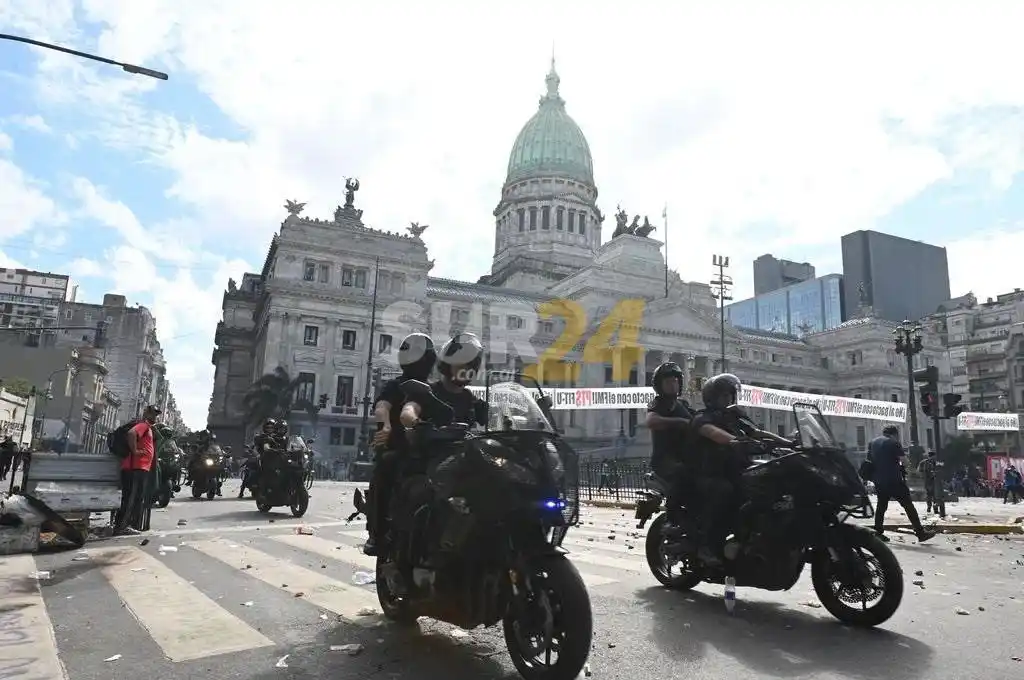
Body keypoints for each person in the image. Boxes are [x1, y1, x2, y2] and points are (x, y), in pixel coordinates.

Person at [689, 373, 791, 566]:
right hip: (712, 473)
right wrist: (735, 441)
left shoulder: (735, 416)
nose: (727, 399)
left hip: (737, 469)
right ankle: (707, 546)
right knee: (724, 492)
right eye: (723, 396)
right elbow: (713, 433)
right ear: (712, 397)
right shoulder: (702, 417)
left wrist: (789, 443)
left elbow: (758, 432)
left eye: (730, 395)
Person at [363, 332, 437, 556]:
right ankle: (377, 531)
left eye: (423, 358)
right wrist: (385, 425)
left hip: (430, 452)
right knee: (386, 468)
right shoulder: (395, 386)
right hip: (399, 447)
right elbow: (382, 406)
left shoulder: (435, 389)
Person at [869, 425, 936, 542]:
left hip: (879, 480)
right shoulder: (893, 443)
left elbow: (870, 460)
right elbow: (905, 462)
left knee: (881, 507)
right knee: (908, 506)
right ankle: (920, 532)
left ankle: (878, 532)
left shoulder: (873, 443)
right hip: (894, 481)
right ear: (895, 434)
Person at [644, 362, 698, 503]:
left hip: (684, 456)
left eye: (675, 381)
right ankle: (674, 514)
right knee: (683, 473)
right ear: (659, 385)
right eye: (668, 382)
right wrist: (680, 422)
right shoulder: (658, 403)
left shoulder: (684, 405)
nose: (672, 385)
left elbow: (699, 420)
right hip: (665, 460)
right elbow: (651, 421)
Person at [114, 405, 161, 536]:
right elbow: (131, 433)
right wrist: (135, 451)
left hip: (139, 468)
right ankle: (121, 527)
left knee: (134, 498)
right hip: (135, 468)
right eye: (153, 414)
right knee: (131, 499)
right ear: (146, 413)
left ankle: (124, 525)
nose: (155, 417)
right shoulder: (143, 425)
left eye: (156, 414)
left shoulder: (149, 428)